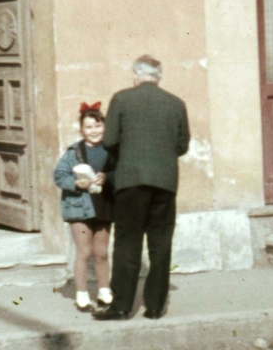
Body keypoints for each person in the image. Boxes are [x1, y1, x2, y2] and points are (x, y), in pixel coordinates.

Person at [98, 55, 190, 320]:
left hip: (131, 179)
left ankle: (121, 306)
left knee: (128, 241)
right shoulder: (176, 103)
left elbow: (109, 140)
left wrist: (130, 154)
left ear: (135, 76)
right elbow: (182, 144)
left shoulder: (122, 99)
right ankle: (155, 306)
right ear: (158, 77)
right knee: (160, 243)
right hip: (165, 181)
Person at [53, 102, 116, 313]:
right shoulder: (73, 152)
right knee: (84, 250)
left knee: (101, 252)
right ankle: (81, 295)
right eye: (89, 127)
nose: (94, 131)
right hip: (78, 207)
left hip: (103, 204)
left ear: (104, 127)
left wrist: (107, 177)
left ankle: (104, 291)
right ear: (81, 130)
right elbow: (59, 175)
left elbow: (119, 171)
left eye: (98, 126)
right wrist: (75, 183)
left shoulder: (110, 150)